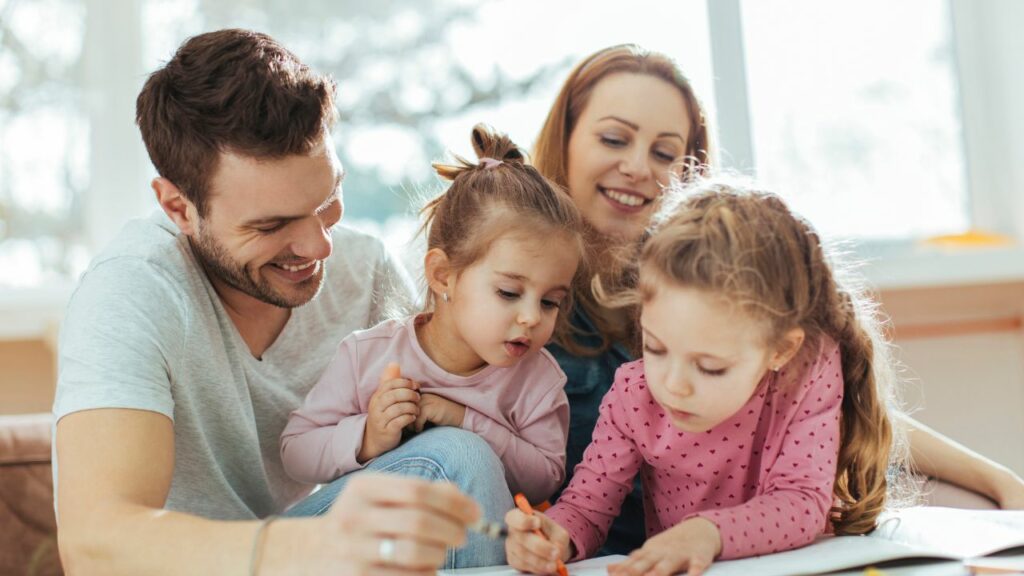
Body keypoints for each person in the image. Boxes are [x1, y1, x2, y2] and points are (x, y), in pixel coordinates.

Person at [533, 45, 1024, 555]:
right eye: (614, 138)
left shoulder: (749, 298)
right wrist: (555, 535)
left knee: (980, 514)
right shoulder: (527, 302)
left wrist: (999, 479)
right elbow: (584, 503)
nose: (636, 167)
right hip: (636, 548)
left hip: (770, 536)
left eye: (663, 152)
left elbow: (850, 416)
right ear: (564, 139)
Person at [52, 29, 501, 575]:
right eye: (270, 225)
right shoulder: (130, 292)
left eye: (328, 200)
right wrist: (308, 549)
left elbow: (449, 439)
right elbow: (93, 545)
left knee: (459, 456)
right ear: (178, 206)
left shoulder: (363, 270)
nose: (319, 246)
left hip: (314, 551)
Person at [505, 178, 905, 576]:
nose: (673, 384)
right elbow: (586, 508)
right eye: (655, 348)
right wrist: (554, 535)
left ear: (780, 351)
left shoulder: (805, 373)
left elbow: (801, 501)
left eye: (710, 366)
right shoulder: (634, 392)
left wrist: (706, 533)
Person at [279, 125, 585, 558]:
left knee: (464, 454)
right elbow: (295, 453)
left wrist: (464, 419)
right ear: (444, 276)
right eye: (509, 293)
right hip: (357, 545)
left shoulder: (538, 379)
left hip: (450, 551)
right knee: (455, 456)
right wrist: (368, 437)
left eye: (551, 302)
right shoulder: (370, 353)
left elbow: (545, 480)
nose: (532, 317)